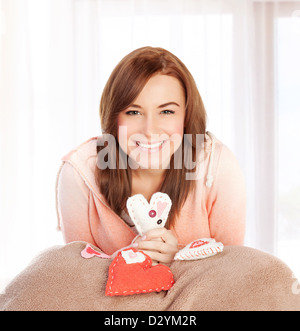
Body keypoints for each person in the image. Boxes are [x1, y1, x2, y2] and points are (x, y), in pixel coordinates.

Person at [56, 46, 246, 265]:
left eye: (166, 112)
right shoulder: (80, 173)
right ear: (114, 117)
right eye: (133, 112)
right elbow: (78, 277)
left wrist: (177, 260)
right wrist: (131, 259)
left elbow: (232, 275)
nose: (149, 129)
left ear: (187, 115)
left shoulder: (217, 167)